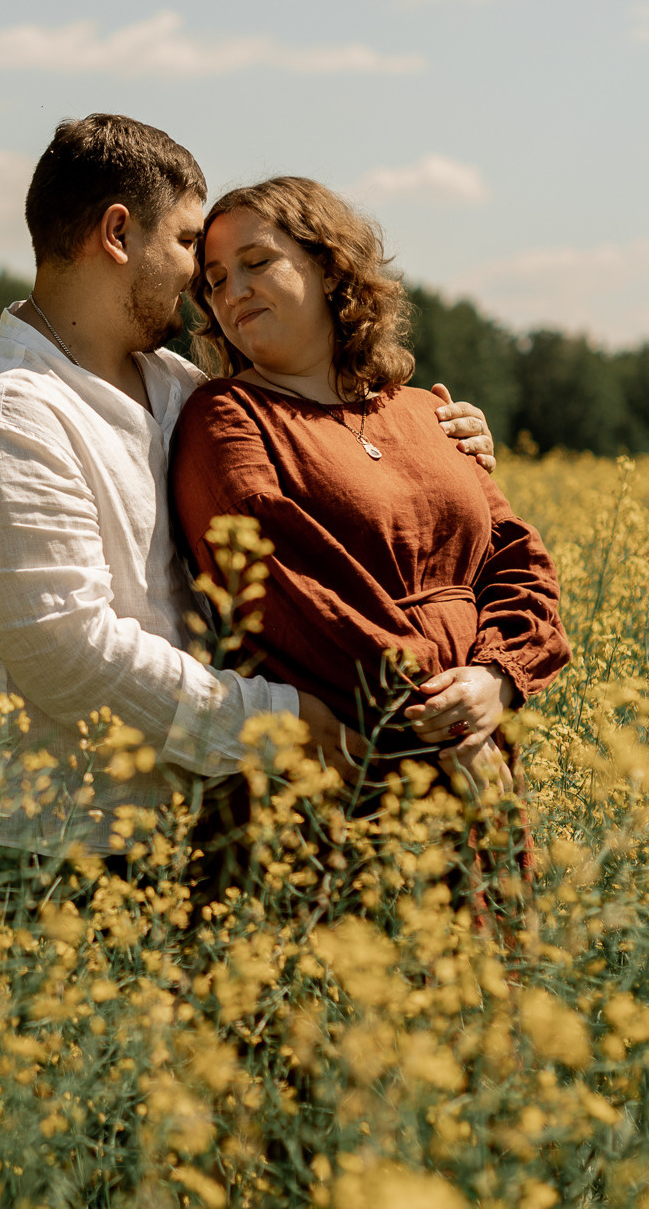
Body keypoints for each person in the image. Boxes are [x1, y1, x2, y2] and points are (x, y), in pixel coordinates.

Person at [0, 118, 502, 914]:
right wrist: (285, 721)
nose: (201, 281)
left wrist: (442, 441)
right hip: (43, 853)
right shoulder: (6, 415)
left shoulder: (176, 387)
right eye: (189, 244)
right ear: (119, 233)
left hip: (183, 842)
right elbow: (74, 653)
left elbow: (327, 449)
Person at [168, 175, 572, 904]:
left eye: (258, 262)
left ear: (328, 266)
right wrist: (445, 723)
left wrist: (495, 680)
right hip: (351, 772)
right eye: (216, 279)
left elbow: (515, 558)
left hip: (477, 760)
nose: (232, 291)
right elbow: (290, 587)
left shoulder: (429, 411)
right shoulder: (226, 417)